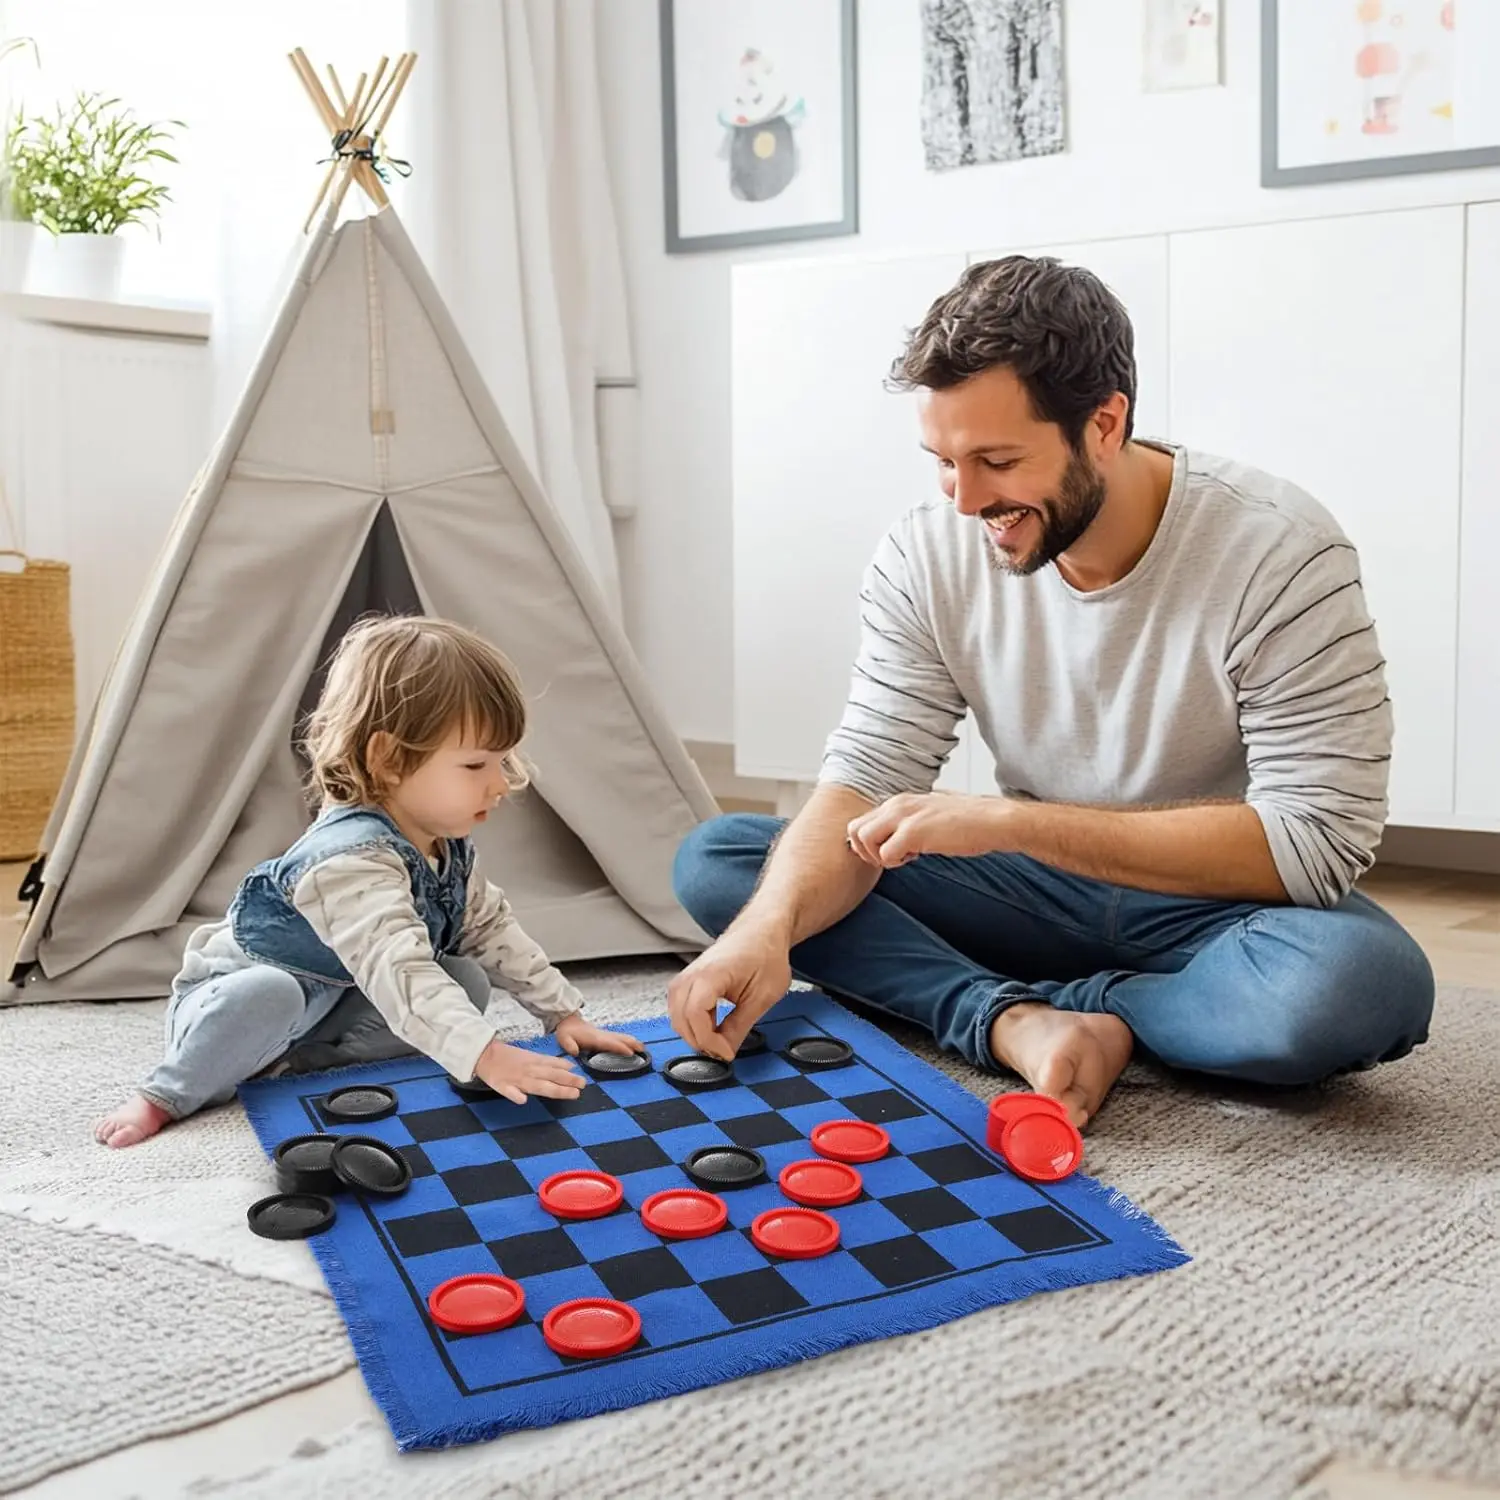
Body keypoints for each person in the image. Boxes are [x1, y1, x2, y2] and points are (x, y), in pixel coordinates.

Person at [668, 255, 1435, 1129]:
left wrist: (1009, 822)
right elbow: (868, 771)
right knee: (731, 865)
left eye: (996, 460)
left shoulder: (1282, 552)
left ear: (1104, 424)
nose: (964, 502)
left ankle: (1071, 1005)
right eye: (943, 461)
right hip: (1022, 892)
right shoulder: (926, 555)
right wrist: (770, 930)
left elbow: (1316, 844)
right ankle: (1016, 1024)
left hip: (1212, 910)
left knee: (1358, 984)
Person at [95, 615, 641, 1148]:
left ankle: (293, 1066)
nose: (500, 785)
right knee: (272, 994)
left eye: (503, 761)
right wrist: (487, 1054)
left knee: (466, 981)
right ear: (388, 759)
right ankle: (168, 1092)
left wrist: (561, 1013)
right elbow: (397, 971)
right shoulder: (348, 859)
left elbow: (492, 929)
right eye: (476, 766)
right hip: (238, 1000)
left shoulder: (444, 846)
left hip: (333, 1001)